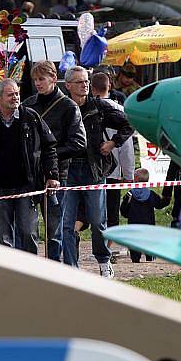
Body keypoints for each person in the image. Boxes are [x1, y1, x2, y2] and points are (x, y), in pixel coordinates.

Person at [0, 78, 60, 254]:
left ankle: (30, 274)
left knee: (28, 232)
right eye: (10, 95)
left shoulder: (30, 117)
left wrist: (52, 175)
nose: (15, 97)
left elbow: (49, 146)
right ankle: (8, 277)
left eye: (17, 93)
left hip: (26, 187)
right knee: (3, 238)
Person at [63, 66, 134, 278]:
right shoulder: (62, 108)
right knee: (66, 223)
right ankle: (70, 267)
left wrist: (113, 142)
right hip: (68, 170)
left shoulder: (99, 107)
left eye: (86, 81)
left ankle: (103, 260)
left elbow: (128, 123)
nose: (84, 85)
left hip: (93, 169)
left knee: (97, 220)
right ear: (67, 86)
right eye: (79, 82)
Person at [22, 60, 86, 262]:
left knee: (54, 228)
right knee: (27, 227)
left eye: (41, 79)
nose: (38, 83)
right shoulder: (28, 104)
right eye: (35, 80)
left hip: (57, 174)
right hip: (29, 174)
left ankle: (53, 268)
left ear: (52, 78)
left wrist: (49, 155)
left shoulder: (68, 106)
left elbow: (78, 142)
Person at [91, 71, 134, 260]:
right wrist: (129, 171)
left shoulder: (88, 107)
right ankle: (107, 247)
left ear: (92, 88)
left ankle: (101, 246)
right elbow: (127, 146)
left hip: (95, 166)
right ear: (110, 87)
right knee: (112, 209)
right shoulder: (121, 110)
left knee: (95, 209)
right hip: (115, 169)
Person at [120, 169, 169, 262]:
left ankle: (135, 259)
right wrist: (167, 199)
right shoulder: (151, 194)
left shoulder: (130, 195)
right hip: (149, 224)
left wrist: (127, 215)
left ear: (135, 178)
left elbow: (123, 210)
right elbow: (159, 204)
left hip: (133, 225)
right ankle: (150, 258)